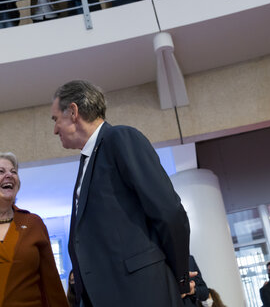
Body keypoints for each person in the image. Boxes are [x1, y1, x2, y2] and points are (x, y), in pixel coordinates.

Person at [50, 80, 190, 307]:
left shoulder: (120, 138)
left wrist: (178, 277)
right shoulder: (87, 159)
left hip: (143, 292)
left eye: (55, 119)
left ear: (73, 112)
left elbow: (169, 211)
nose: (55, 129)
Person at [0, 152, 68, 307]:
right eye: (0, 171)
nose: (9, 175)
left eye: (13, 172)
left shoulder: (33, 223)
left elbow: (52, 283)